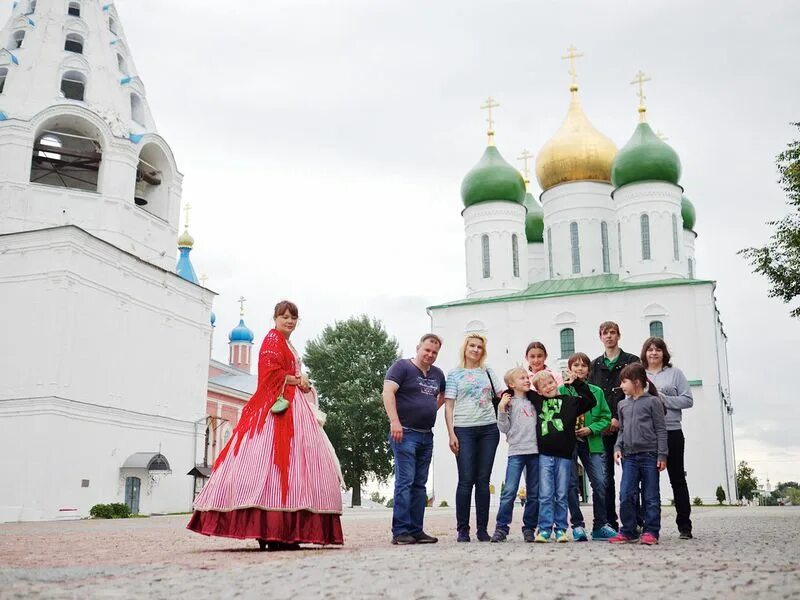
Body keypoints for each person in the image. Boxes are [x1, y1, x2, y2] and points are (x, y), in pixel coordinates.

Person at [188, 301, 343, 550]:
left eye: (294, 317)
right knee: (273, 464)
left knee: (297, 466)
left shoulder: (286, 343)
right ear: (275, 318)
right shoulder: (272, 340)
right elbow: (269, 375)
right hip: (277, 408)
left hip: (294, 406)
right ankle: (271, 532)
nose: (289, 321)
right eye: (285, 317)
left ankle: (285, 532)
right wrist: (297, 379)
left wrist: (302, 383)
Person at [382, 334, 446, 545]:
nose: (430, 354)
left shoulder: (438, 374)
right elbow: (388, 392)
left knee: (420, 484)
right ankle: (400, 531)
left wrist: (428, 410)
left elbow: (442, 395)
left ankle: (416, 530)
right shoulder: (401, 367)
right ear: (418, 347)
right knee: (405, 481)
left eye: (434, 352)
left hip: (426, 434)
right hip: (404, 432)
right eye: (427, 350)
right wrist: (395, 422)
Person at [444, 334, 501, 542]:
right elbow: (449, 405)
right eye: (472, 346)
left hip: (488, 429)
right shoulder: (455, 374)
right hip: (464, 429)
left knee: (483, 481)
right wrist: (451, 433)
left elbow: (502, 395)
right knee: (466, 480)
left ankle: (482, 529)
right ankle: (463, 529)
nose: (475, 349)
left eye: (479, 347)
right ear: (465, 348)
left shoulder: (487, 371)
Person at [528, 370, 596, 543]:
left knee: (561, 493)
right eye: (543, 386)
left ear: (555, 382)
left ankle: (560, 529)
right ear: (539, 391)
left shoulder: (569, 402)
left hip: (565, 456)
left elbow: (590, 401)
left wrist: (576, 383)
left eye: (550, 383)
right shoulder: (537, 400)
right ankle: (544, 529)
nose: (548, 387)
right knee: (545, 494)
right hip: (544, 456)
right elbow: (517, 390)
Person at [587, 321, 640, 531]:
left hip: (626, 426)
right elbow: (592, 396)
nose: (609, 336)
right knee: (605, 478)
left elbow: (634, 391)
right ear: (600, 337)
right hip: (603, 429)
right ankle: (609, 521)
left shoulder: (631, 361)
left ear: (619, 335)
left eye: (612, 333)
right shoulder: (594, 365)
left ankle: (635, 520)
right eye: (605, 333)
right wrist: (603, 421)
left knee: (632, 476)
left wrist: (618, 416)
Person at [559, 352, 616, 541]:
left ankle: (600, 525)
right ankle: (577, 525)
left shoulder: (596, 392)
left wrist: (591, 428)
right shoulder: (563, 390)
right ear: (570, 369)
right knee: (571, 483)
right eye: (575, 365)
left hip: (592, 442)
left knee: (600, 482)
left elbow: (605, 418)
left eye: (583, 365)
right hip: (569, 443)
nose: (579, 368)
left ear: (588, 370)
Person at [642, 336, 694, 539]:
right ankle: (648, 525)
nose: (653, 353)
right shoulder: (640, 374)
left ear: (664, 353)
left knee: (677, 479)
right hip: (648, 433)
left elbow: (688, 400)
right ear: (645, 353)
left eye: (658, 349)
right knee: (647, 481)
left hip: (672, 430)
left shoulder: (675, 374)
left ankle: (685, 525)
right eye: (650, 349)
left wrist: (664, 399)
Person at [610, 364, 668, 545]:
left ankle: (651, 532)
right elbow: (622, 430)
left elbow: (661, 430)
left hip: (650, 456)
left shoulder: (653, 402)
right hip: (629, 457)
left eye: (624, 381)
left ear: (636, 382)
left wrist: (662, 455)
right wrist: (617, 448)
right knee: (626, 494)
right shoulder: (622, 405)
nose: (621, 385)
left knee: (651, 496)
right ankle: (628, 530)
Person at [490, 367, 539, 543]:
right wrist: (501, 408)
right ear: (511, 384)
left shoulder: (535, 400)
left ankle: (529, 528)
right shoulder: (508, 403)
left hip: (535, 452)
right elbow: (503, 428)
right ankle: (502, 528)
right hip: (516, 452)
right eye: (522, 378)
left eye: (527, 377)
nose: (527, 380)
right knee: (509, 491)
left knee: (534, 493)